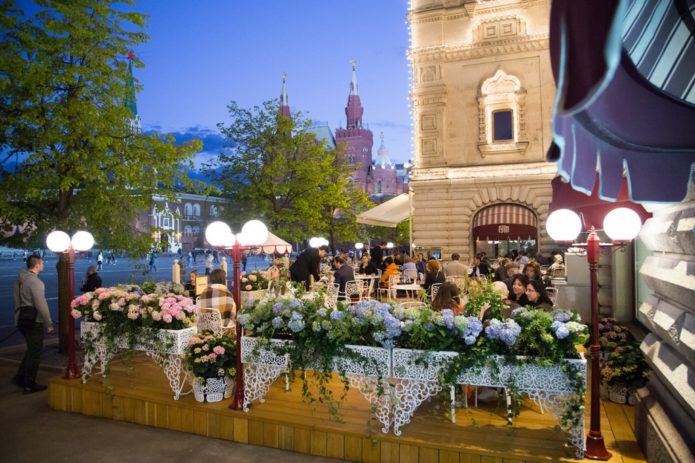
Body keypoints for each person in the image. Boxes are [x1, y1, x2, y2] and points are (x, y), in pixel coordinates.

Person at [13, 254, 54, 393]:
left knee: (31, 349)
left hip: (21, 318)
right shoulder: (35, 282)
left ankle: (20, 377)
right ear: (36, 265)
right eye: (42, 263)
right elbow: (41, 304)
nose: (43, 264)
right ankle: (29, 384)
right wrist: (48, 322)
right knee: (35, 352)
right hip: (34, 321)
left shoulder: (19, 281)